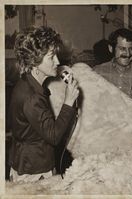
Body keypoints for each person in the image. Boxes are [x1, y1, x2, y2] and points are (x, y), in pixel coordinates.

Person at [8, 26, 79, 182]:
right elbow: (53, 136)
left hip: (28, 161)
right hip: (33, 169)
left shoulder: (28, 83)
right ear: (35, 59)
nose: (58, 62)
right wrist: (68, 102)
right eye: (51, 57)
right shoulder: (32, 96)